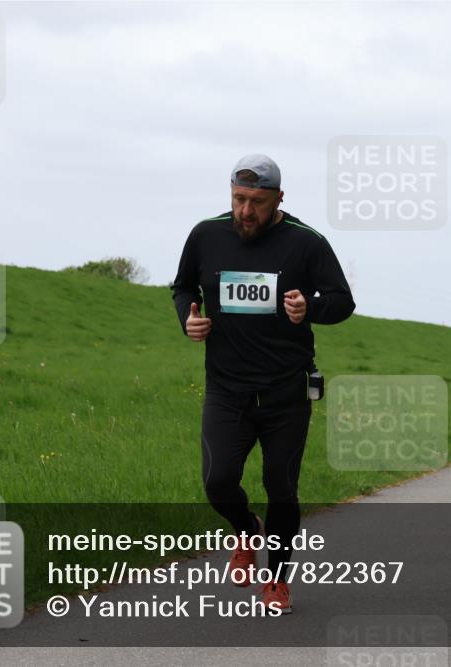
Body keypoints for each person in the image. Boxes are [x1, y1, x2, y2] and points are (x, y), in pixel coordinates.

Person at [171, 154, 355, 614]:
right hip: (226, 389)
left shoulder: (306, 243)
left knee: (282, 487)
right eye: (238, 199)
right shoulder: (205, 235)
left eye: (257, 201)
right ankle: (247, 530)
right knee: (217, 481)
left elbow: (342, 301)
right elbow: (182, 288)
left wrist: (309, 308)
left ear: (278, 199)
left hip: (285, 393)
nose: (245, 211)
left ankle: (276, 580)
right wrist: (187, 320)